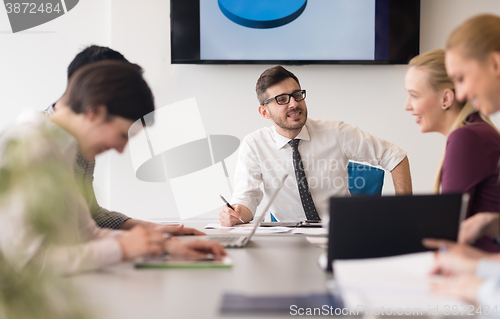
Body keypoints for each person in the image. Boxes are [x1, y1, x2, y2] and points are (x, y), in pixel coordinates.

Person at [0, 61, 225, 275]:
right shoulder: (30, 147)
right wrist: (123, 249)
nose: (120, 150)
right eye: (122, 135)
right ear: (94, 112)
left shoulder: (61, 147)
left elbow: (88, 234)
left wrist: (163, 245)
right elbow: (26, 262)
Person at [219, 65, 412, 226]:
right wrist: (236, 215)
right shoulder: (254, 145)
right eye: (282, 99)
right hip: (290, 239)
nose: (294, 104)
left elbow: (395, 156)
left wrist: (404, 216)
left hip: (341, 232)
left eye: (297, 95)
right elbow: (246, 198)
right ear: (264, 112)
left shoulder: (336, 132)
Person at [46, 45, 202, 235]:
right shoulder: (36, 146)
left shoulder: (78, 142)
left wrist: (151, 230)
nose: (120, 150)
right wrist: (127, 246)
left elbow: (90, 216)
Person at [422, 13, 500, 308]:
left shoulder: (469, 135)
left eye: (462, 78)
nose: (462, 93)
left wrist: (479, 287)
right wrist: (482, 264)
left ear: (495, 64)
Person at [404, 49, 500, 252]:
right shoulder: (475, 131)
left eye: (414, 95)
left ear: (446, 99)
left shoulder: (466, 138)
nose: (407, 106)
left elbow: (445, 233)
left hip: (479, 273)